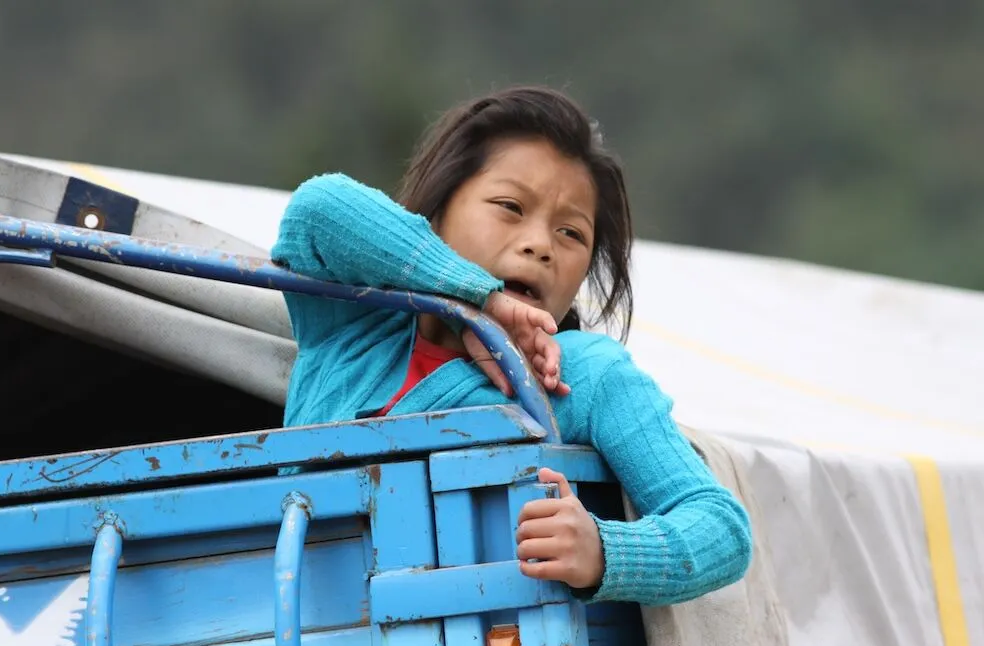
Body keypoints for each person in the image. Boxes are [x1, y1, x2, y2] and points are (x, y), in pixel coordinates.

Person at [271, 85, 752, 607]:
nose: (540, 245)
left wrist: (604, 551)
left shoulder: (581, 374)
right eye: (509, 206)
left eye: (571, 233)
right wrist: (479, 300)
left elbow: (721, 528)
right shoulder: (352, 328)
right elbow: (314, 210)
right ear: (436, 215)